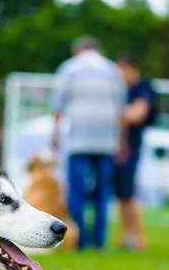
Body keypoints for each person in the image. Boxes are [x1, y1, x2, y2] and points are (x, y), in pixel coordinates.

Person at [51, 36, 126, 249]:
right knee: (103, 191)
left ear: (78, 50)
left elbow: (58, 104)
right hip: (106, 140)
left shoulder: (69, 68)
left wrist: (55, 133)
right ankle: (99, 241)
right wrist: (120, 139)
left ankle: (80, 241)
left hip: (79, 139)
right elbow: (121, 109)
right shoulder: (112, 70)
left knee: (77, 190)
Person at [114, 54, 157, 249]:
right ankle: (126, 235)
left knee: (128, 192)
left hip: (130, 147)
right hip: (118, 147)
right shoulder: (121, 89)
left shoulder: (142, 88)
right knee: (122, 193)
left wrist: (118, 114)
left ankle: (136, 237)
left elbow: (136, 115)